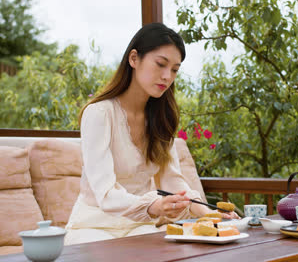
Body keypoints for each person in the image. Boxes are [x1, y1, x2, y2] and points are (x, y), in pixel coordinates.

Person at [65, 23, 239, 245]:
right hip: (94, 226)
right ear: (134, 59)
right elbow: (105, 193)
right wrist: (153, 205)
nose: (167, 76)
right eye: (160, 64)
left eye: (175, 69)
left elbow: (173, 182)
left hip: (140, 227)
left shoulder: (161, 119)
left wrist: (209, 213)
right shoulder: (99, 114)